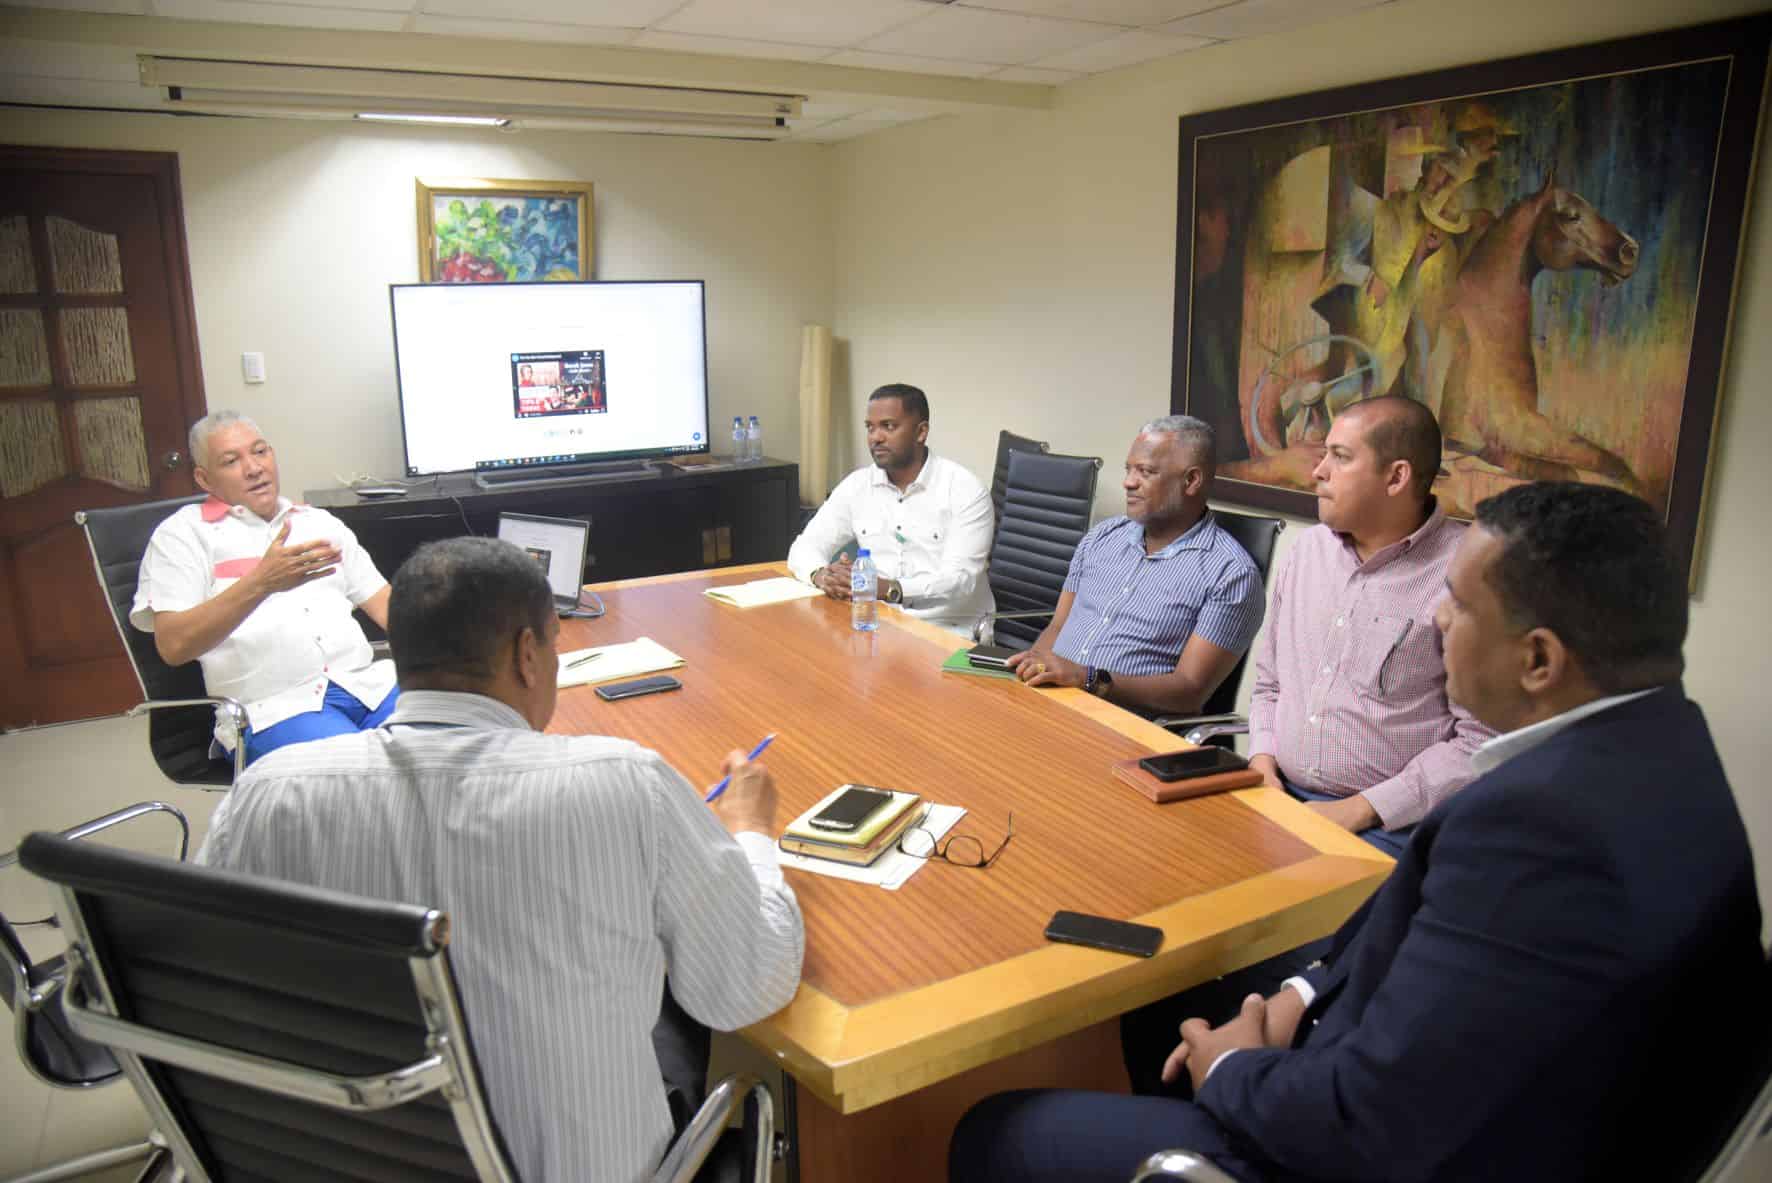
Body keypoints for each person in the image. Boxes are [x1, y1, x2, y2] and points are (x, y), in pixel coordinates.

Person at [951, 482, 1767, 1183]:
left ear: (1539, 660)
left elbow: (1368, 1121)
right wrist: (1296, 995)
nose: (1437, 619)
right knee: (1173, 996)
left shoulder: (1538, 829)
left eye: (1459, 602)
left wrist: (1233, 1065)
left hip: (1378, 1146)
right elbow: (1420, 944)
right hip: (1504, 1098)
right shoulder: (1671, 750)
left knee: (999, 1132)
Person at [199, 536, 804, 1183]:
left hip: (351, 1151)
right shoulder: (625, 784)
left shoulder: (266, 795)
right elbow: (748, 985)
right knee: (676, 968)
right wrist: (752, 835)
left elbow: (211, 997)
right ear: (527, 654)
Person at [1251, 396, 1492, 854]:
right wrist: (1262, 764)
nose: (1317, 471)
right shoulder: (1307, 552)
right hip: (1275, 794)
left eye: (1339, 457)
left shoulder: (1467, 574)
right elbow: (1269, 684)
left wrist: (1361, 809)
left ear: (1396, 477)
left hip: (1389, 828)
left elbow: (1481, 741)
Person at [131, 411, 398, 766]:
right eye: (231, 461)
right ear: (204, 478)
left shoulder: (318, 523)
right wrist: (261, 582)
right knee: (360, 772)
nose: (254, 468)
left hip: (370, 688)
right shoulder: (181, 535)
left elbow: (390, 607)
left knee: (462, 733)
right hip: (274, 710)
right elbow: (174, 646)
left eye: (260, 452)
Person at [1005, 416, 1263, 716]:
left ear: (1191, 480)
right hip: (1050, 706)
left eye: (1146, 471)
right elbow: (1058, 626)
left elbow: (1189, 691)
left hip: (1122, 728)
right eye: (1128, 469)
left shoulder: (1230, 574)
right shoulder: (1102, 537)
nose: (1128, 482)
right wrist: (1033, 674)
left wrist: (1087, 679)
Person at [787, 383, 994, 630]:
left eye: (888, 426)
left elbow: (961, 579)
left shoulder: (964, 489)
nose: (875, 437)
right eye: (870, 427)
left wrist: (890, 588)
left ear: (921, 432)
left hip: (947, 629)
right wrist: (822, 576)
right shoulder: (857, 486)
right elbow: (805, 545)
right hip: (877, 622)